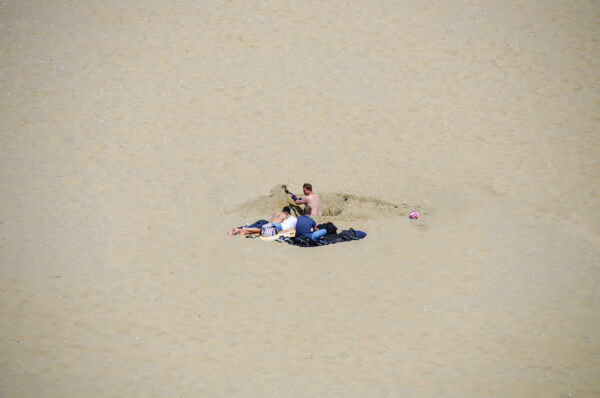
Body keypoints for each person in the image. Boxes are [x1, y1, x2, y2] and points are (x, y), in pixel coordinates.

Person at [228, 207, 292, 235]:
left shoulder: (277, 213)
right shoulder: (285, 216)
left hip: (263, 221)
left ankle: (236, 229)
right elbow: (284, 225)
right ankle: (240, 230)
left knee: (250, 226)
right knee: (251, 230)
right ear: (287, 212)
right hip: (267, 225)